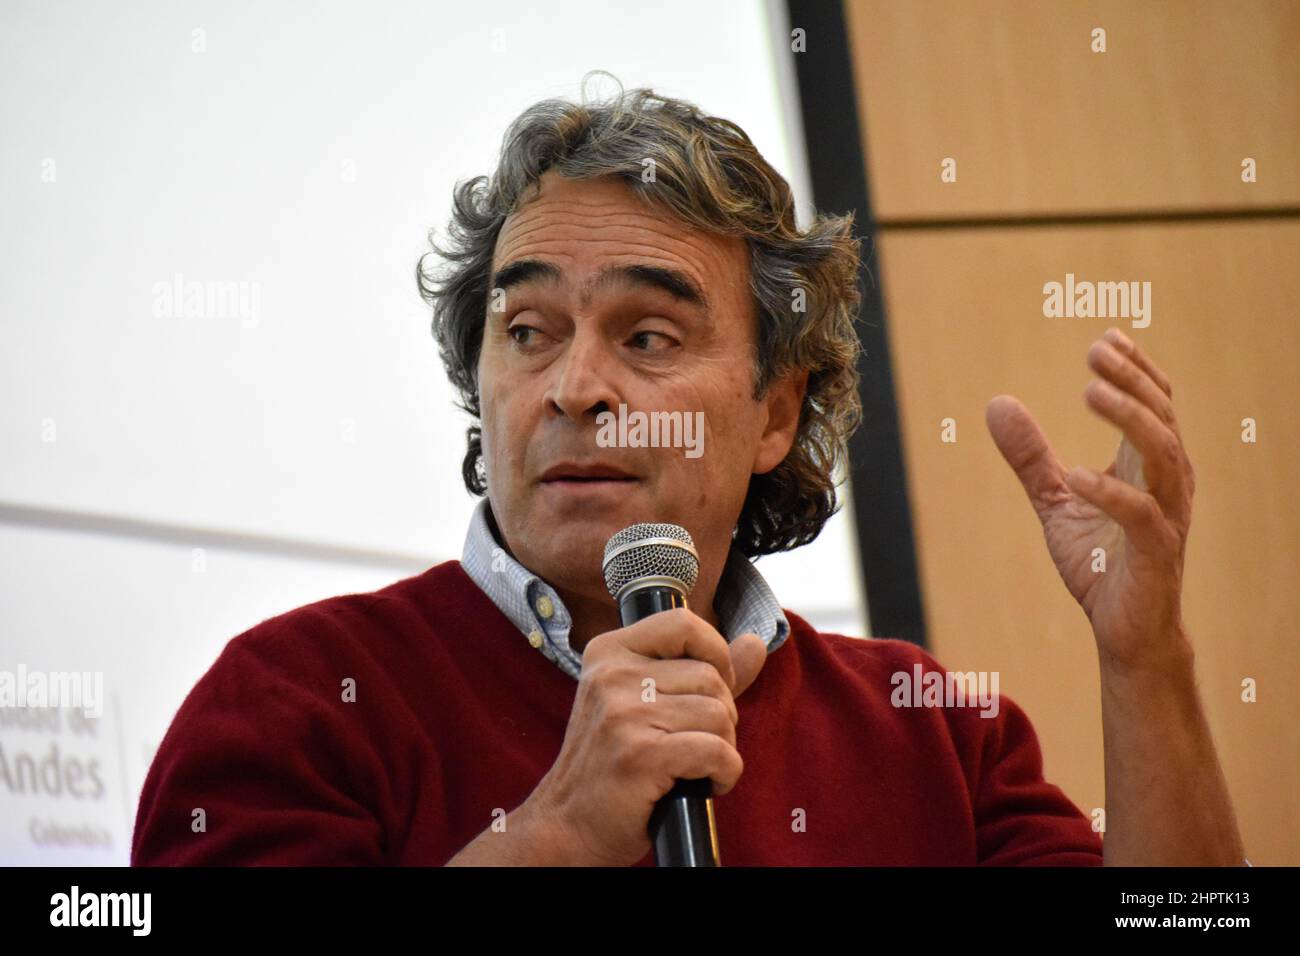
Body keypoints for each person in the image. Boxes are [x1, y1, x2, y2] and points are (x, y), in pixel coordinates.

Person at [131, 76, 1245, 867]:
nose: (572, 386)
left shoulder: (934, 735)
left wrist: (1144, 659)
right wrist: (554, 833)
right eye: (526, 329)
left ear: (774, 410)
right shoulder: (294, 700)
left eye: (647, 336)